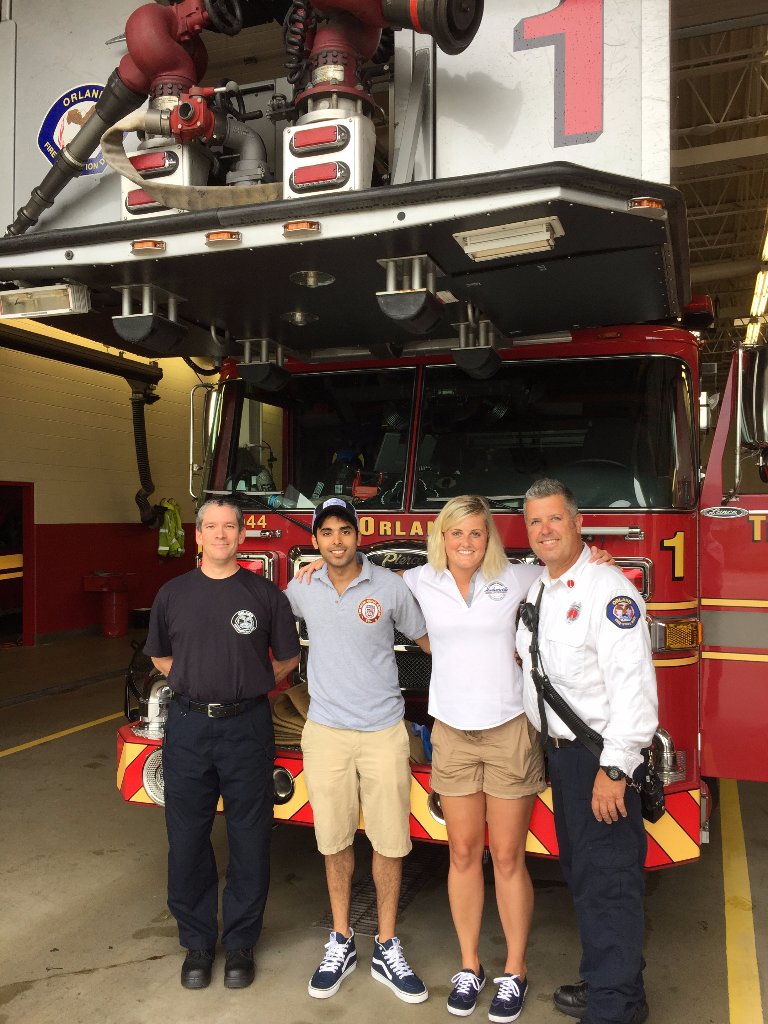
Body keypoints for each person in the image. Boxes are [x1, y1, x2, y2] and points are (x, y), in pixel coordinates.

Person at [516, 478, 657, 1024]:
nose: (545, 530)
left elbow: (634, 689)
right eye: (535, 522)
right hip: (563, 759)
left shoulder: (609, 590)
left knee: (609, 883)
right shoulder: (539, 590)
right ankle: (615, 986)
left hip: (601, 761)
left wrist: (615, 769)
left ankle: (612, 1009)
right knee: (586, 877)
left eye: (555, 519)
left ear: (578, 524)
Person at [144, 497, 300, 990]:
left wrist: (248, 682)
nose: (220, 534)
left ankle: (239, 945)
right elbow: (160, 659)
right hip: (188, 728)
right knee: (187, 838)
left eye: (229, 526)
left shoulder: (265, 594)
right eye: (210, 526)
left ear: (240, 535)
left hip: (247, 727)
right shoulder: (172, 593)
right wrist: (196, 681)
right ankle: (196, 944)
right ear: (198, 535)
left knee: (250, 838)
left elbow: (289, 660)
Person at [286, 496, 431, 1005]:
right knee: (333, 840)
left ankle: (387, 946)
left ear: (358, 535)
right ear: (316, 540)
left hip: (384, 732)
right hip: (324, 733)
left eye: (345, 530)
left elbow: (431, 640)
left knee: (391, 842)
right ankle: (342, 940)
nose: (337, 540)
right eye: (326, 532)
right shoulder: (301, 588)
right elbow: (264, 624)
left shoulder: (391, 587)